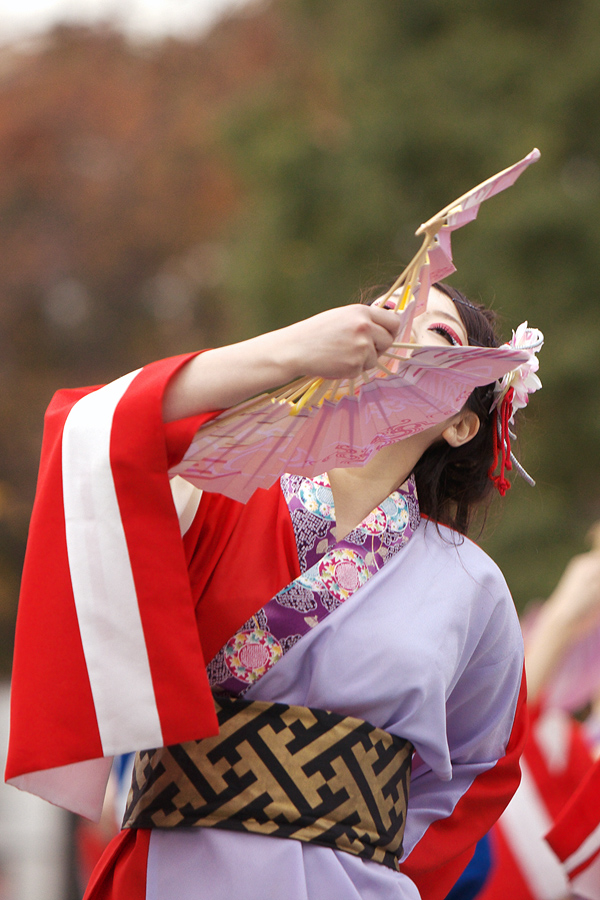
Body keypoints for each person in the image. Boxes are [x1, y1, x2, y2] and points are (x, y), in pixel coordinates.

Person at [6, 283, 534, 900]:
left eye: (439, 332)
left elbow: (483, 770)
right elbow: (94, 430)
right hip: (176, 874)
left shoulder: (474, 589)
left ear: (461, 424)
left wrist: (367, 855)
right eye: (392, 311)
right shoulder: (214, 490)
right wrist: (288, 353)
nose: (401, 329)